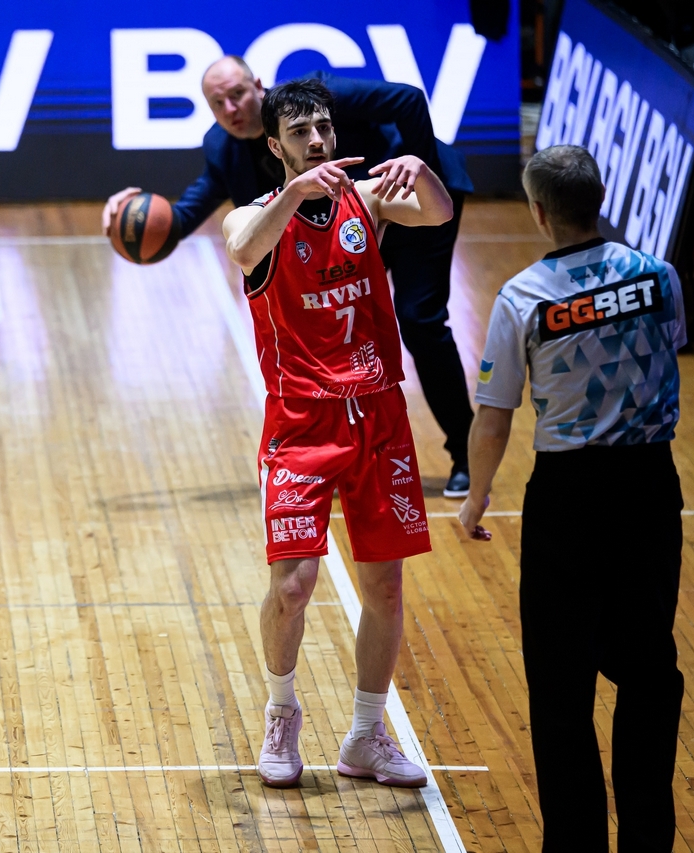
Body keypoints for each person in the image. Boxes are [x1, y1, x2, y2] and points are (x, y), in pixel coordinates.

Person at [222, 78, 453, 789]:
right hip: (301, 422)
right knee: (293, 586)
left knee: (385, 586)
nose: (319, 141)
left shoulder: (368, 200)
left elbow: (437, 213)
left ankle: (365, 734)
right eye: (301, 133)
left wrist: (423, 170)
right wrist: (295, 193)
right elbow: (242, 251)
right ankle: (281, 711)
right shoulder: (256, 215)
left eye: (323, 127)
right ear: (275, 147)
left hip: (378, 414)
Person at [105, 56, 477, 496]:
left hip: (401, 202)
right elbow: (182, 218)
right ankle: (342, 455)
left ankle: (466, 454)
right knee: (326, 329)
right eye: (218, 103)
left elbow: (409, 100)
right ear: (275, 145)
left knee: (419, 320)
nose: (231, 108)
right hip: (344, 236)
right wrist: (129, 217)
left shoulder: (313, 102)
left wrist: (420, 170)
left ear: (258, 86)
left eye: (238, 94)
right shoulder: (223, 147)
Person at [459, 145, 686, 851]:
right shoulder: (660, 275)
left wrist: (476, 498)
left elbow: (494, 417)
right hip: (651, 487)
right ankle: (647, 837)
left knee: (560, 685)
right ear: (599, 197)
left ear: (537, 211)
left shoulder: (523, 297)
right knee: (648, 670)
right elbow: (669, 349)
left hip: (568, 498)